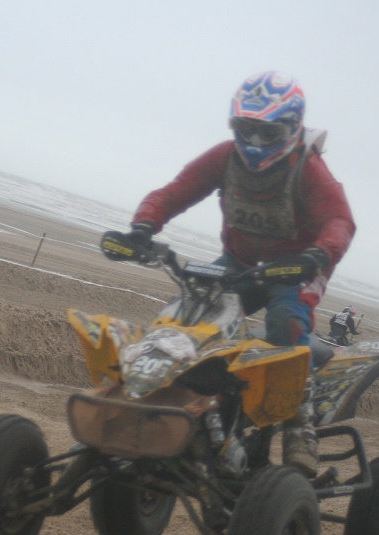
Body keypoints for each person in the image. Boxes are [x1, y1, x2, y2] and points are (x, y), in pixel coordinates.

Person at [121, 70, 356, 477]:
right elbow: (176, 190)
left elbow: (339, 220)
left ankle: (300, 428)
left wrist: (318, 254)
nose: (256, 142)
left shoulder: (309, 169)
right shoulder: (225, 157)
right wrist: (144, 225)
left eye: (269, 132)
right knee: (188, 312)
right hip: (240, 262)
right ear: (236, 124)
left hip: (296, 268)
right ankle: (173, 397)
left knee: (287, 321)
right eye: (247, 129)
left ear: (292, 128)